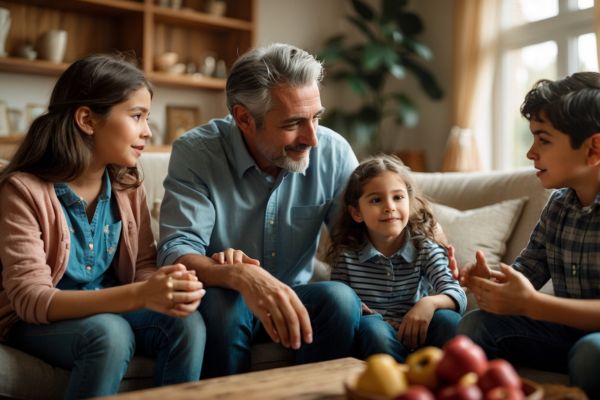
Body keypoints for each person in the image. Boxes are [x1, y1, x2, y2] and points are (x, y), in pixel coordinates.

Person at [0, 54, 206, 399]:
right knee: (109, 333)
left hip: (108, 307)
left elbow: (142, 266)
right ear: (87, 119)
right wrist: (140, 295)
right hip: (34, 322)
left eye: (147, 118)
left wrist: (166, 286)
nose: (148, 131)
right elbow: (31, 299)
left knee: (186, 322)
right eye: (136, 116)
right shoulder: (22, 190)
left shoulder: (127, 185)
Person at [157, 43, 362, 378]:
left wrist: (428, 246)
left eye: (316, 117)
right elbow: (176, 250)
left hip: (298, 297)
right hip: (226, 298)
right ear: (244, 118)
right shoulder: (197, 152)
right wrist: (241, 276)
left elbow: (363, 232)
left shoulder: (334, 151)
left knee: (340, 300)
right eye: (293, 123)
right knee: (225, 308)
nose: (312, 138)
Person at [455, 72, 600, 398]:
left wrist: (533, 305)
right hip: (566, 335)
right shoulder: (559, 206)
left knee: (593, 352)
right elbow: (524, 277)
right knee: (475, 325)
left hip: (593, 343)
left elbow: (531, 301)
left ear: (594, 149)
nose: (531, 152)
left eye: (544, 139)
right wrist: (490, 284)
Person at [326, 154, 466, 362]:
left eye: (398, 197)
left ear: (409, 202)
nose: (389, 206)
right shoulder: (347, 256)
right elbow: (344, 310)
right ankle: (397, 385)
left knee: (449, 320)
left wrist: (427, 304)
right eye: (376, 199)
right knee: (372, 329)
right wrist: (375, 318)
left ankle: (440, 385)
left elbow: (456, 293)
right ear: (357, 212)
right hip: (378, 338)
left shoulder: (424, 247)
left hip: (421, 331)